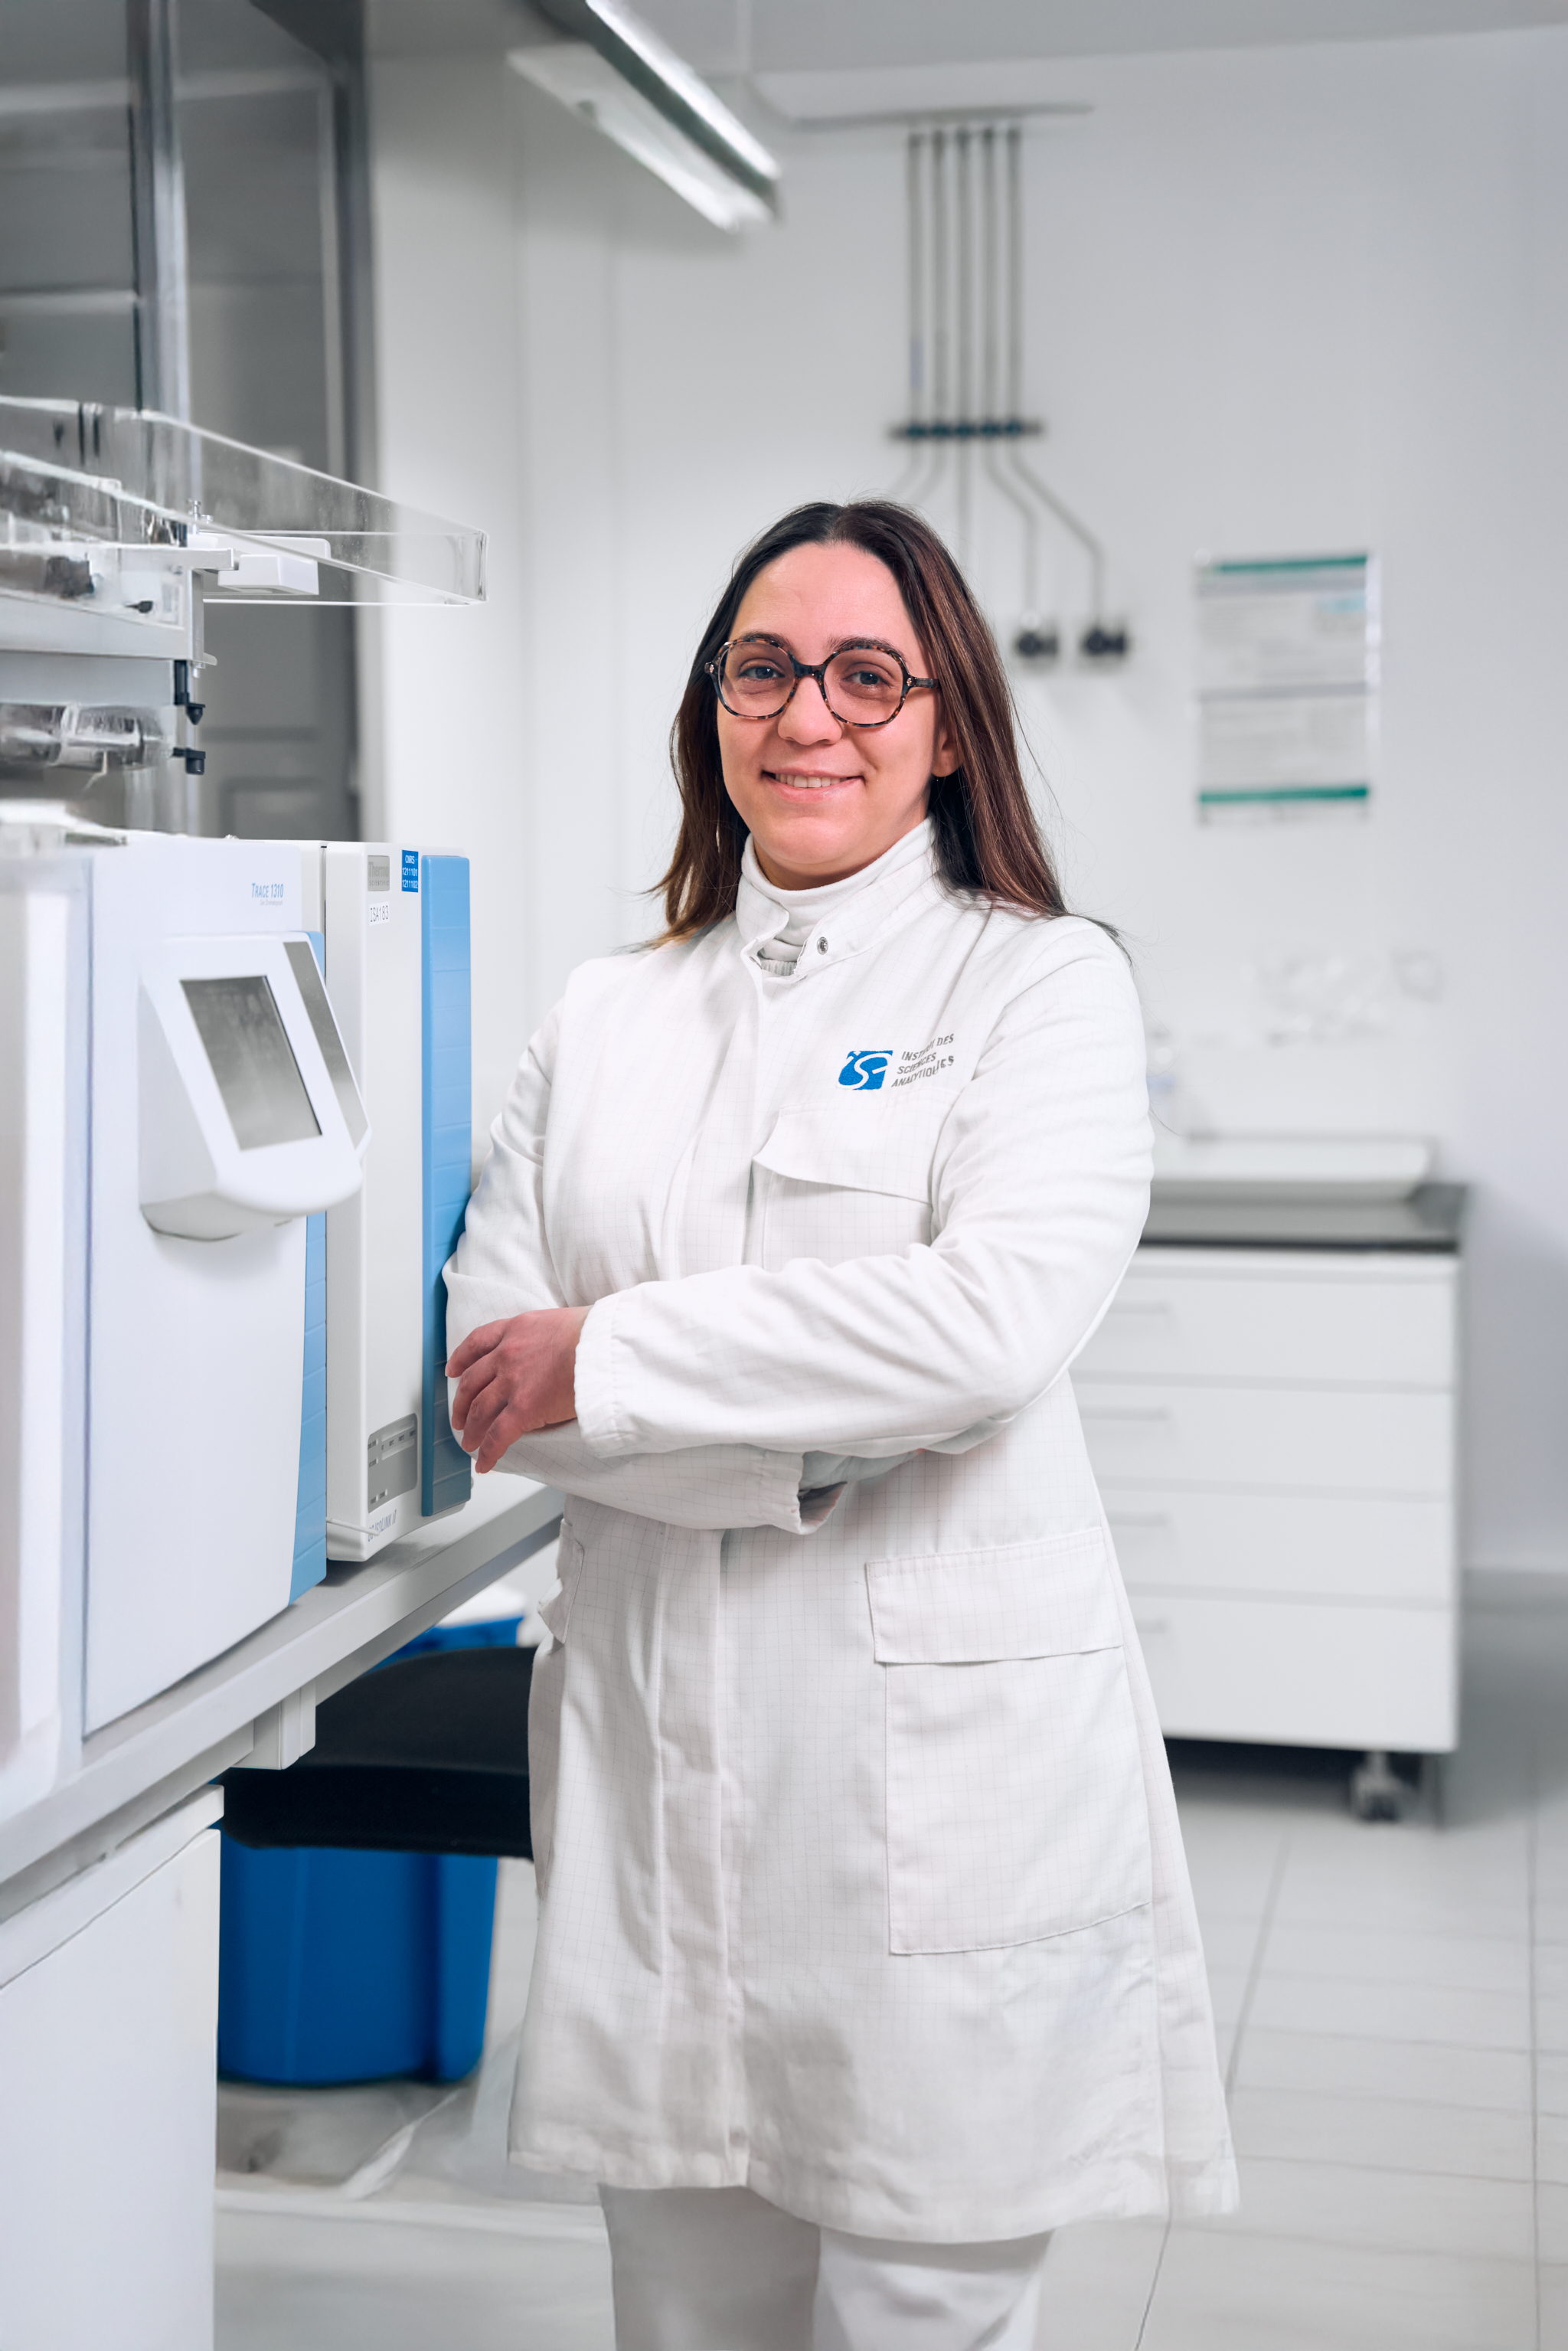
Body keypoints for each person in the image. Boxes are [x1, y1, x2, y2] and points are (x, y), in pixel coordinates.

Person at [445, 500, 1236, 2350]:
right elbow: (490, 1369)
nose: (810, 714)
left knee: (920, 2302)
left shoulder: (1036, 980)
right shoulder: (606, 1012)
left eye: (868, 674)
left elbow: (985, 1326)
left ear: (946, 725)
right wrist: (816, 1425)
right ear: (711, 709)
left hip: (936, 1802)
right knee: (684, 2309)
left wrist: (609, 1360)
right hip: (655, 1761)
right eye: (765, 668)